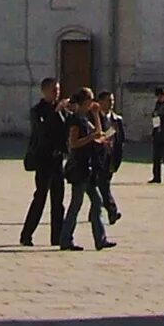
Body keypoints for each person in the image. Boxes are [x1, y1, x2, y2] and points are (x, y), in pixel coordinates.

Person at [59, 88, 116, 250]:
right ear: (85, 102)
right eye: (91, 101)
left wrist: (97, 115)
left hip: (88, 168)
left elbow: (98, 133)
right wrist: (90, 138)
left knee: (96, 201)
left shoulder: (84, 118)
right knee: (76, 204)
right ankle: (66, 239)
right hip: (79, 167)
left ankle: (100, 240)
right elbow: (73, 143)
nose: (93, 103)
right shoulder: (75, 120)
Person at [20, 76, 69, 247]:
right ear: (45, 91)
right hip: (43, 159)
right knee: (40, 198)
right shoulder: (38, 111)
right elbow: (42, 130)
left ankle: (57, 237)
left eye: (58, 90)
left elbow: (67, 130)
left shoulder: (62, 111)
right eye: (54, 90)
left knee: (58, 201)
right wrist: (56, 112)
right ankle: (26, 235)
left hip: (57, 160)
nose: (57, 94)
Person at [95, 90, 124, 224]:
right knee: (103, 185)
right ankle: (112, 211)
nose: (111, 103)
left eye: (112, 100)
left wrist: (117, 160)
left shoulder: (117, 120)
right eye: (108, 101)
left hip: (110, 158)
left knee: (102, 185)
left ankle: (95, 212)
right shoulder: (94, 118)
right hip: (97, 158)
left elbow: (120, 141)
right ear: (100, 102)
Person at [149, 87, 164, 183]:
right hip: (157, 133)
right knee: (156, 157)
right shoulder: (158, 105)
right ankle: (156, 177)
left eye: (161, 96)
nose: (160, 98)